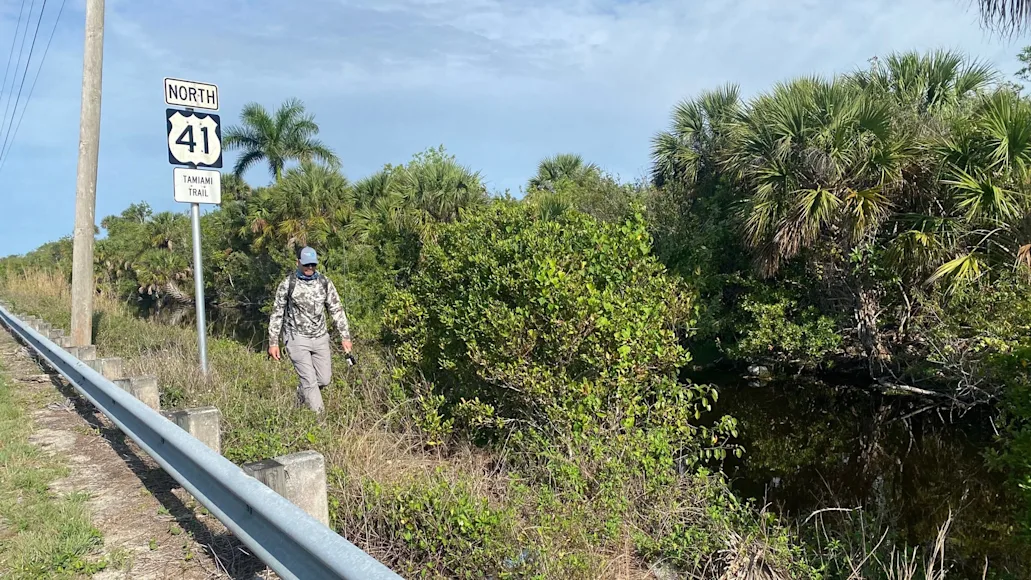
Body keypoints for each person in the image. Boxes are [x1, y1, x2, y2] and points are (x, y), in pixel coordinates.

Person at [267, 246, 353, 414]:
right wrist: (273, 342)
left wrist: (345, 337)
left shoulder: (324, 283)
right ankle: (320, 423)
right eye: (306, 265)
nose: (310, 268)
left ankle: (301, 394)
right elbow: (277, 313)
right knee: (309, 381)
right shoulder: (288, 284)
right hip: (296, 338)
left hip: (320, 337)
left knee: (324, 379)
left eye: (313, 264)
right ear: (298, 263)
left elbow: (336, 310)